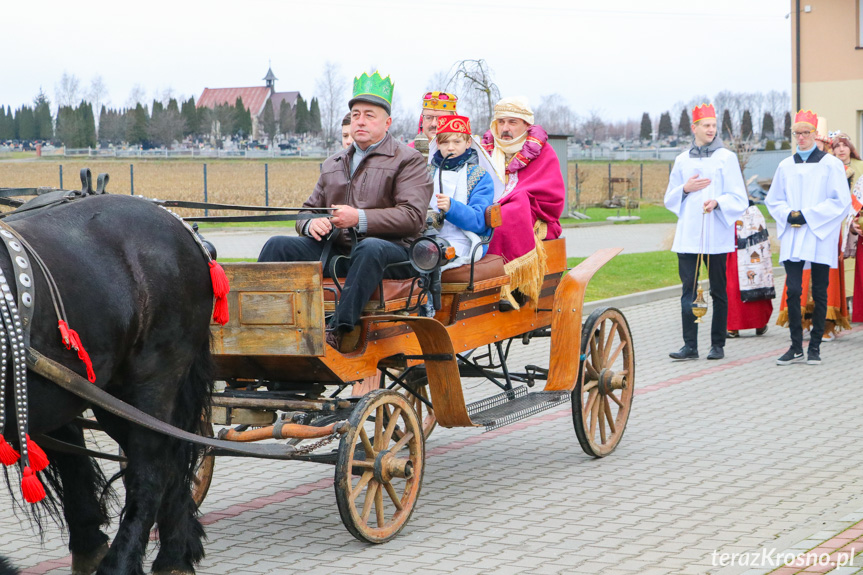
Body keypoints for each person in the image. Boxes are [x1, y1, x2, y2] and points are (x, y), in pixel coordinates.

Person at [258, 71, 433, 351]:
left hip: (393, 254)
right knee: (277, 246)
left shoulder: (408, 160)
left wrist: (359, 219)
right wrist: (310, 225)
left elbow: (412, 217)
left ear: (387, 123)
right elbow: (306, 212)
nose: (360, 121)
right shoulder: (333, 163)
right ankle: (262, 326)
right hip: (339, 253)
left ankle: (338, 330)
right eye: (355, 114)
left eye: (369, 115)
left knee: (371, 247)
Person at [765, 109, 851, 366]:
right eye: (797, 134)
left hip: (818, 234)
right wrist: (788, 215)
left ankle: (814, 347)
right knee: (793, 291)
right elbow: (773, 199)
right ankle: (795, 347)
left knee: (821, 291)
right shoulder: (785, 165)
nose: (801, 138)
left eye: (806, 133)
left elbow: (840, 201)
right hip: (793, 234)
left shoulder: (830, 164)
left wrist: (808, 216)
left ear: (815, 135)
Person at [664, 103, 748, 361]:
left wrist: (718, 202)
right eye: (706, 126)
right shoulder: (682, 160)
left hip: (716, 234)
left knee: (718, 291)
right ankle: (690, 346)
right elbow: (670, 198)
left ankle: (717, 345)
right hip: (689, 235)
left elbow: (739, 196)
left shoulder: (726, 157)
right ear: (695, 128)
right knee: (687, 291)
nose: (711, 130)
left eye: (714, 126)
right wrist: (686, 189)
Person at [480, 96, 565, 308]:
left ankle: (513, 285)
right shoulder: (485, 151)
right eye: (501, 122)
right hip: (491, 206)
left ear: (527, 125)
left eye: (512, 122)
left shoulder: (543, 152)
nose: (505, 128)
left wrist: (514, 197)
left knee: (506, 218)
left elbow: (552, 195)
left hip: (534, 215)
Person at [429, 115, 494, 270]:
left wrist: (452, 207)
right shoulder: (426, 172)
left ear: (468, 143)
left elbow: (479, 221)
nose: (451, 147)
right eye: (445, 142)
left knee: (429, 260)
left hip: (463, 240)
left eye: (457, 142)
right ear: (437, 144)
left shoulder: (479, 176)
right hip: (427, 238)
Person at [726, 202, 774, 338]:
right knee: (733, 287)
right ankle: (735, 325)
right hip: (734, 251)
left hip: (746, 251)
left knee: (752, 282)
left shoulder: (752, 210)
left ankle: (756, 323)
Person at [831, 132, 863, 322]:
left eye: (844, 145)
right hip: (836, 220)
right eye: (836, 146)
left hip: (855, 219)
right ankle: (840, 301)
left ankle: (853, 301)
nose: (841, 149)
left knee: (853, 263)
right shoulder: (830, 168)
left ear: (850, 147)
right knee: (838, 260)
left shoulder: (860, 167)